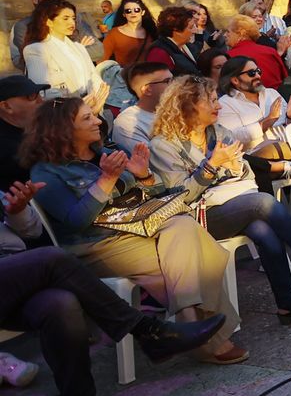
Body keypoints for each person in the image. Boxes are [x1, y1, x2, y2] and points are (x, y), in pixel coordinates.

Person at [0, 183, 226, 396]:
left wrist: (18, 210)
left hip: (15, 277)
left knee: (61, 304)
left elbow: (31, 232)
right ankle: (148, 332)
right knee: (53, 259)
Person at [25, 98, 249, 364]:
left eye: (94, 115)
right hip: (96, 245)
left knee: (184, 227)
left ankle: (188, 320)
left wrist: (143, 176)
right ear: (61, 129)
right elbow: (76, 222)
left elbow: (155, 197)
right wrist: (106, 180)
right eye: (87, 118)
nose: (98, 121)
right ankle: (207, 338)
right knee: (195, 254)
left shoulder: (108, 150)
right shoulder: (46, 173)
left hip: (143, 229)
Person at [147, 76, 291, 325]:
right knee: (263, 202)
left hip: (235, 201)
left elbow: (245, 172)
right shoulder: (164, 145)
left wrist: (224, 169)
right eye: (210, 101)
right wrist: (212, 167)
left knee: (263, 231)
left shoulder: (218, 132)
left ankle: (288, 306)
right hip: (196, 217)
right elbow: (180, 197)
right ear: (187, 105)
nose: (217, 105)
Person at [21, 0, 109, 109]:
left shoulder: (78, 47)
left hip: (92, 107)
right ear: (49, 21)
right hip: (61, 113)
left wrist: (96, 99)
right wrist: (78, 106)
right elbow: (42, 91)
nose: (72, 23)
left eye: (73, 18)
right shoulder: (36, 49)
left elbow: (93, 76)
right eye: (65, 18)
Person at [9, 0, 103, 64]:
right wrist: (80, 48)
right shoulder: (25, 26)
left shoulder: (75, 19)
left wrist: (58, 54)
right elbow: (37, 60)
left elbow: (98, 50)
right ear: (34, 0)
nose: (56, 0)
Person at [111, 62, 174, 152]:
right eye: (167, 81)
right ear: (147, 90)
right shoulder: (128, 124)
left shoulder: (174, 109)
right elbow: (152, 161)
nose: (175, 85)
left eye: (173, 79)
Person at [0, 75, 47, 188]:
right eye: (31, 96)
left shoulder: (31, 125)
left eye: (39, 94)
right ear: (6, 106)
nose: (42, 101)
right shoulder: (8, 149)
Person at [144, 5, 204, 77]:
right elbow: (160, 83)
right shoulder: (159, 53)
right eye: (191, 27)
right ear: (176, 30)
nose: (195, 31)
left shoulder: (185, 45)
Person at [99, 0, 157, 67]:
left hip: (149, 75)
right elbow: (102, 61)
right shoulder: (114, 34)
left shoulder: (151, 32)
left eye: (136, 10)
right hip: (125, 76)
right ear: (124, 14)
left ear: (142, 12)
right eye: (128, 11)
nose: (133, 13)